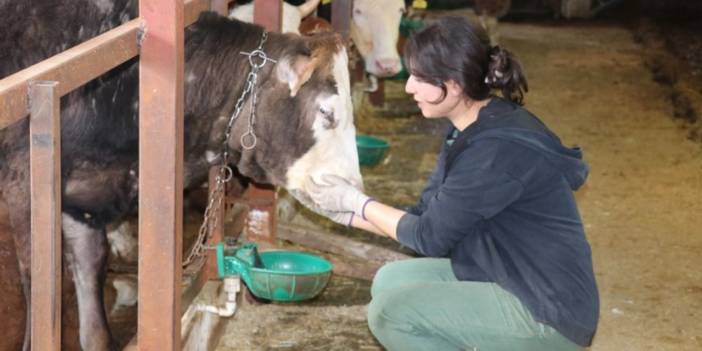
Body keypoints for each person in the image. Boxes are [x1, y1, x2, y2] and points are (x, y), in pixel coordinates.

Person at [308, 15, 599, 351]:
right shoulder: (470, 126)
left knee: (392, 314)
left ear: (456, 83)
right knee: (391, 280)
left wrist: (357, 202)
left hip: (546, 310)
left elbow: (429, 238)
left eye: (420, 77)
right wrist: (341, 211)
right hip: (506, 272)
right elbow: (424, 216)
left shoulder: (495, 150)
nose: (408, 87)